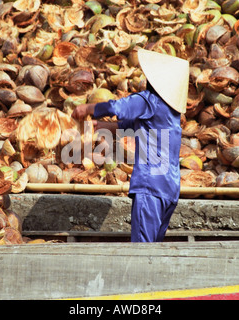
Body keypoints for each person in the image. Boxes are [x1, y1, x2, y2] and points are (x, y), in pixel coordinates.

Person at [72, 49, 190, 242]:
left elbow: (116, 108)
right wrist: (100, 126)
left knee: (142, 251)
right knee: (154, 247)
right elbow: (131, 126)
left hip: (149, 187)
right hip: (169, 190)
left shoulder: (148, 101)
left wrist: (87, 108)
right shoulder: (170, 113)